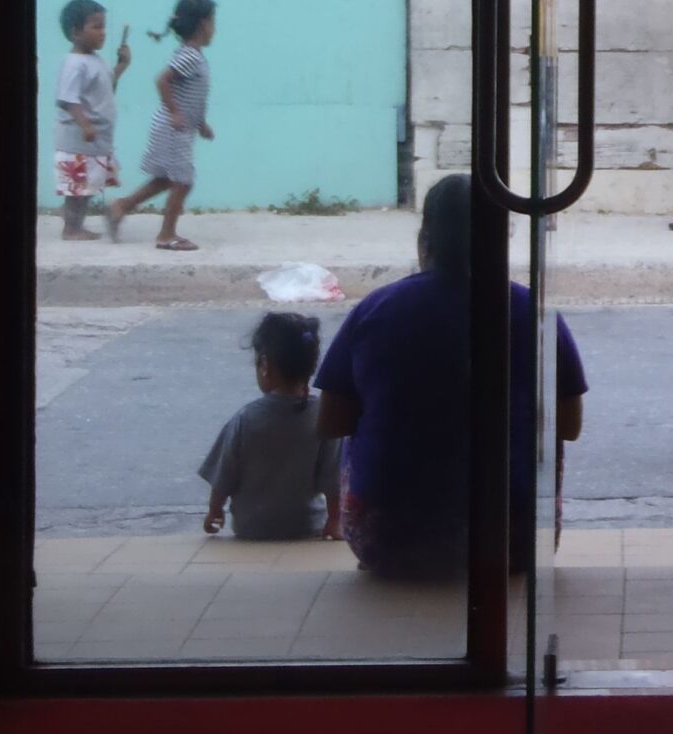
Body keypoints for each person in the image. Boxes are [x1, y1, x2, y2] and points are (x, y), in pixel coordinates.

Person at [314, 175, 587, 580]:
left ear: (424, 240)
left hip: (388, 540)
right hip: (513, 541)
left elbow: (332, 422)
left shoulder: (376, 309)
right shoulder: (533, 311)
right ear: (502, 238)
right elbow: (568, 425)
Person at [198, 312, 342, 542]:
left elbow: (224, 475)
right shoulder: (323, 416)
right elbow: (332, 479)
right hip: (306, 524)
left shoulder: (246, 419)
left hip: (251, 528)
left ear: (265, 365)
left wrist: (214, 511)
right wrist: (334, 521)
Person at [109, 0, 216, 252]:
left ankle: (120, 207)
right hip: (172, 127)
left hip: (178, 127)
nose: (215, 28)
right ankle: (166, 235)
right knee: (183, 181)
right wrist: (175, 112)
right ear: (203, 24)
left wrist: (200, 123)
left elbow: (192, 94)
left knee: (167, 179)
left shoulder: (193, 55)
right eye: (213, 21)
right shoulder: (189, 55)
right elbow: (162, 80)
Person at [52, 0, 131, 241]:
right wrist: (84, 124)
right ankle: (71, 228)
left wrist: (122, 66)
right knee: (77, 189)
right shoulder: (74, 64)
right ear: (76, 32)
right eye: (96, 26)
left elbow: (107, 87)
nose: (103, 32)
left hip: (94, 139)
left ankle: (74, 223)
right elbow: (67, 99)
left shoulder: (95, 60)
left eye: (104, 26)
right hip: (77, 139)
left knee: (85, 188)